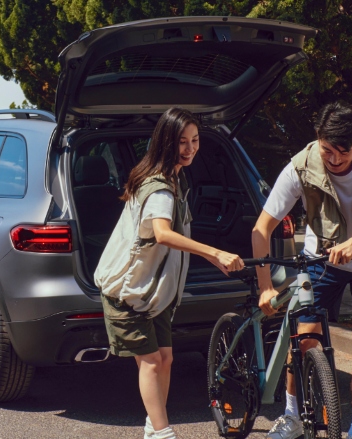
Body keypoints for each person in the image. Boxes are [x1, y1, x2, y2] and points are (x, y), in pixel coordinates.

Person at [251, 101, 352, 439]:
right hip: (321, 260)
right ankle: (292, 416)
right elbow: (262, 228)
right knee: (305, 338)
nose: (335, 159)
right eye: (327, 150)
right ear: (317, 139)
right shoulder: (301, 166)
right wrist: (265, 285)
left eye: (344, 151)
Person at [95, 107, 244, 439]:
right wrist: (215, 252)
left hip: (154, 292)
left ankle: (153, 427)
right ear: (166, 142)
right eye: (182, 142)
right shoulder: (160, 188)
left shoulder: (174, 176)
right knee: (150, 362)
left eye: (195, 140)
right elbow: (162, 233)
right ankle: (162, 433)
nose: (190, 149)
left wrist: (213, 257)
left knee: (165, 357)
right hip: (129, 291)